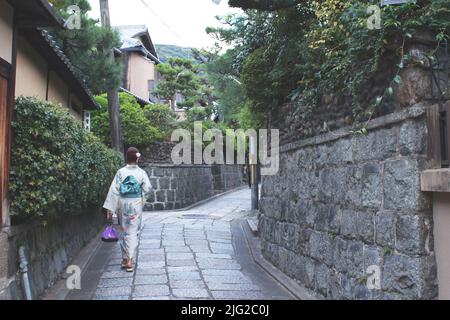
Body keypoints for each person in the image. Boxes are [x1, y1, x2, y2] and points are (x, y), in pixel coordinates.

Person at [103, 147, 152, 272]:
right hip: (135, 204)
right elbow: (148, 189)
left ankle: (125, 258)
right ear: (137, 158)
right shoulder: (141, 173)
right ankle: (129, 259)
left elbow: (114, 191)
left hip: (122, 204)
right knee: (133, 232)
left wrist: (110, 208)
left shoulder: (120, 172)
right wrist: (142, 201)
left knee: (124, 231)